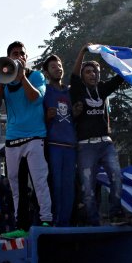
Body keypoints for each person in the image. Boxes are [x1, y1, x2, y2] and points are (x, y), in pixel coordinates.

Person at [0, 41, 53, 228]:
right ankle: (21, 225)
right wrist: (1, 83)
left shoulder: (37, 76)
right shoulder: (1, 78)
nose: (19, 56)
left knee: (40, 181)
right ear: (8, 57)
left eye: (22, 53)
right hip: (13, 138)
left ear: (26, 57)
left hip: (35, 137)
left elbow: (36, 99)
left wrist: (23, 77)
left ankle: (46, 220)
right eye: (14, 53)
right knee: (16, 185)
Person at [71, 43, 132, 226]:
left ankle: (115, 213)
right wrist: (82, 51)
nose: (93, 75)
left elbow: (122, 75)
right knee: (88, 188)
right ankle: (93, 221)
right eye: (88, 72)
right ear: (83, 75)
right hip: (85, 146)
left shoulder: (103, 89)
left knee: (116, 177)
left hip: (106, 144)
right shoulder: (78, 89)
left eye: (96, 72)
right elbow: (73, 75)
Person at [42, 53, 76, 227]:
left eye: (60, 65)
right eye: (53, 67)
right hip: (53, 145)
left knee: (69, 187)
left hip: (71, 145)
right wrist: (46, 117)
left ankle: (66, 223)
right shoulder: (44, 92)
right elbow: (38, 119)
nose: (58, 68)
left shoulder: (71, 91)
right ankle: (53, 222)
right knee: (55, 185)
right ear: (47, 73)